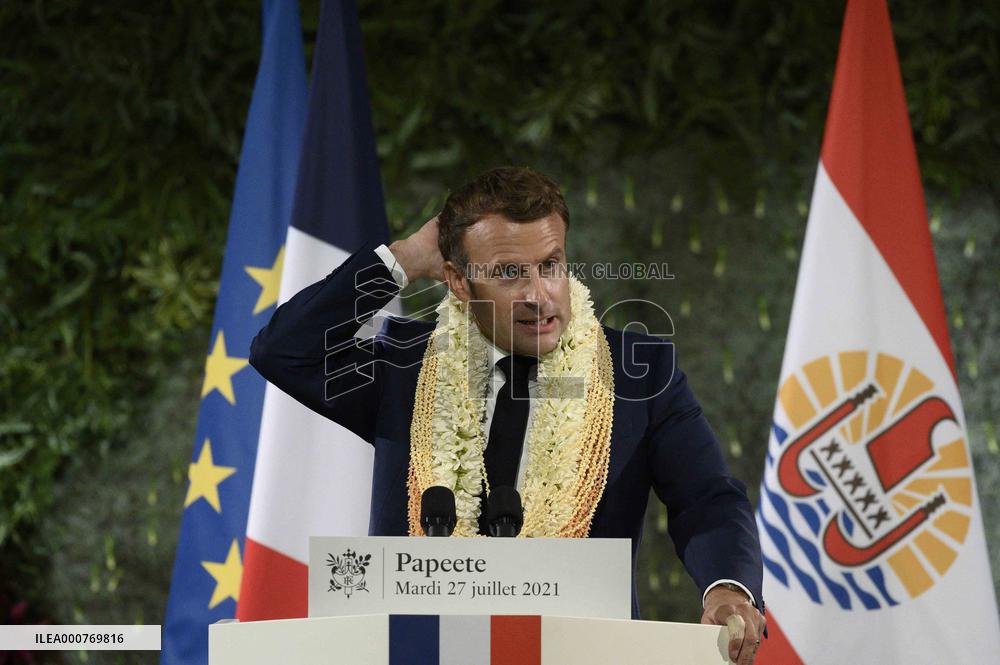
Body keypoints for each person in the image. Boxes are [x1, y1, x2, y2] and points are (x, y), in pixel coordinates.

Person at [249, 166, 766, 664]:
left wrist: (727, 588)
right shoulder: (406, 369)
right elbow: (285, 350)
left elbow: (707, 498)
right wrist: (402, 259)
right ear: (458, 282)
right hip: (418, 651)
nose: (539, 297)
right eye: (509, 274)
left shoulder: (639, 376)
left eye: (550, 265)